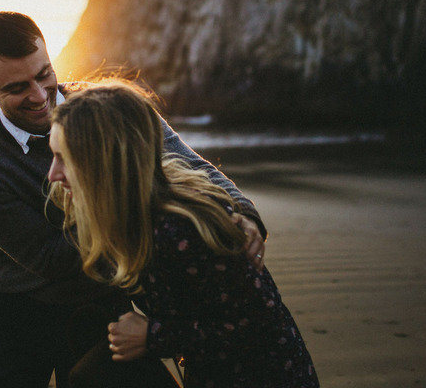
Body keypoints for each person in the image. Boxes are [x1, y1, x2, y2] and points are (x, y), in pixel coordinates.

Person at [0, 12, 267, 387]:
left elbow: (188, 163)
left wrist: (243, 210)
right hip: (19, 311)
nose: (40, 97)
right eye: (17, 88)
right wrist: (129, 205)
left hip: (105, 300)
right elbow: (52, 259)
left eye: (43, 75)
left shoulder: (109, 107)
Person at [46, 80, 320, 387]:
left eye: (63, 159)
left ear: (105, 162)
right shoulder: (128, 221)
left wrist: (153, 336)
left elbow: (258, 325)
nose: (52, 174)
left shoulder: (179, 231)